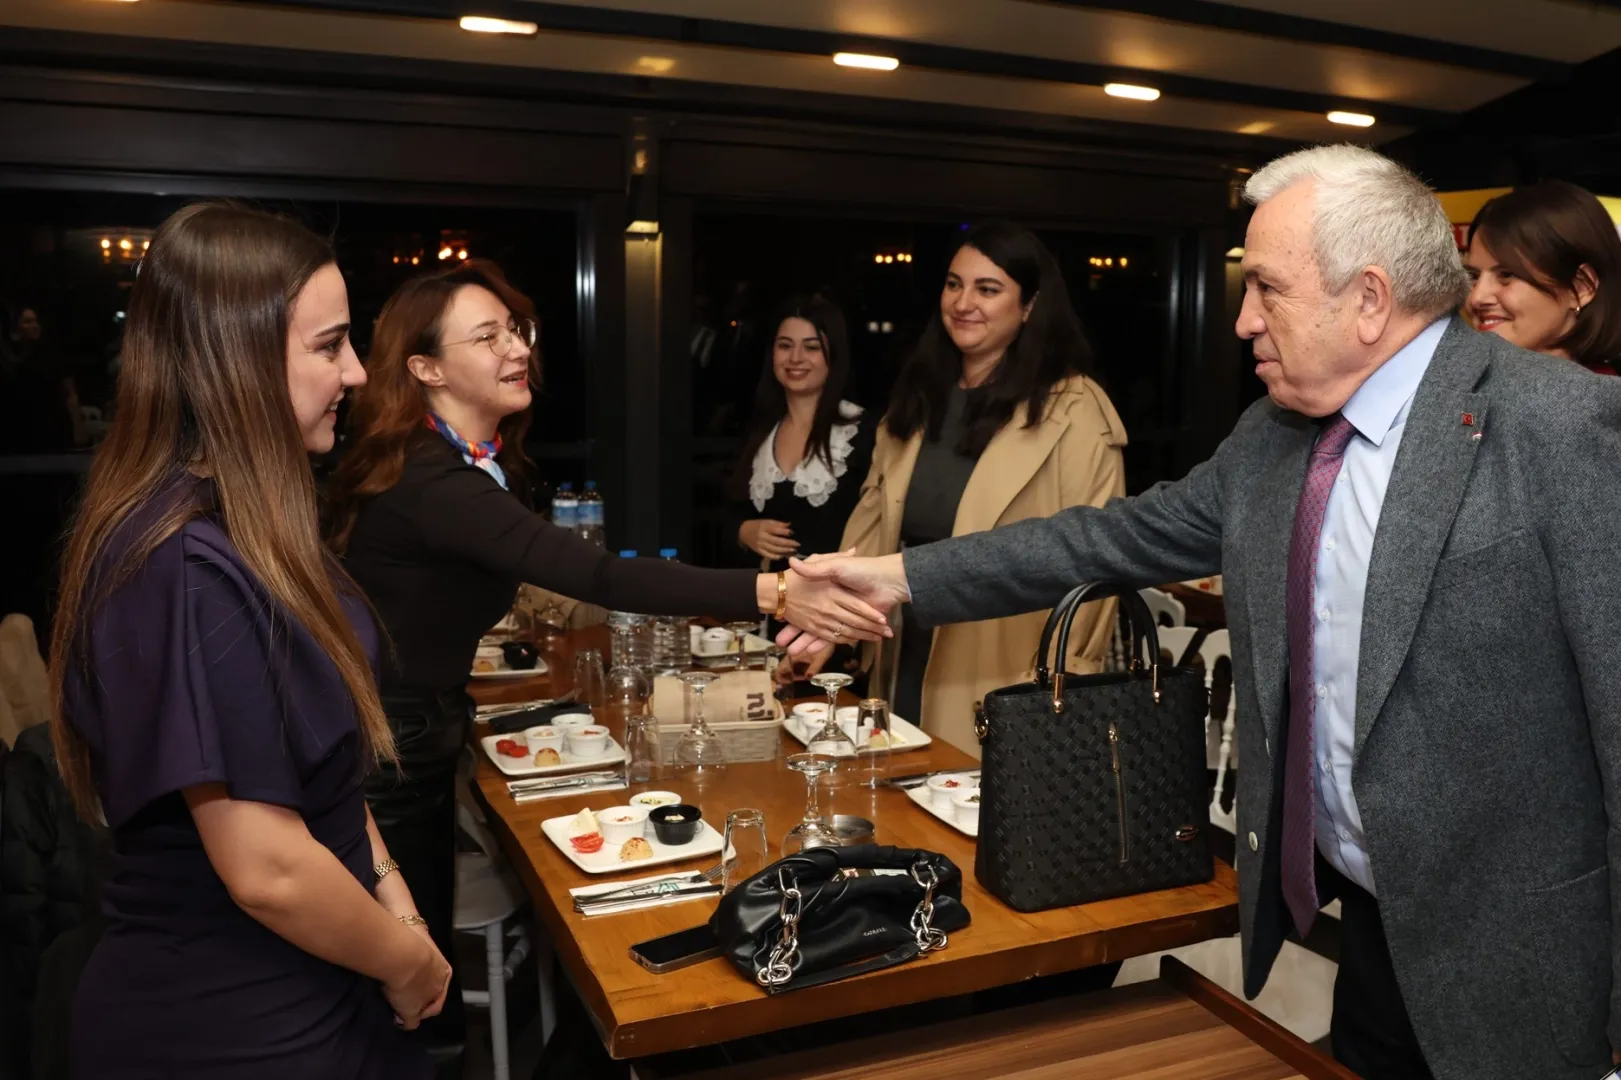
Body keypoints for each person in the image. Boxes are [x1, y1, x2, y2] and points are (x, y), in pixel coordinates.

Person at [782, 145, 1621, 1080]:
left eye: (1266, 288)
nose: (1242, 319)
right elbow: (1102, 541)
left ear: (1368, 299)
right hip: (1372, 927)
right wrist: (895, 576)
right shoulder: (1273, 435)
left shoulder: (1562, 427)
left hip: (1526, 954)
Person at [324, 260, 885, 1064]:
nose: (516, 349)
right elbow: (598, 575)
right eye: (487, 337)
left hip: (413, 724)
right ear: (426, 368)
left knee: (416, 967)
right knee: (404, 984)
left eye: (516, 330)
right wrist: (776, 591)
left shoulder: (461, 460)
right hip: (387, 742)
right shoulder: (430, 477)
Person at [47, 203, 450, 1077]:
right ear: (238, 359)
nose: (355, 372)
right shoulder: (182, 563)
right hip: (237, 1025)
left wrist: (396, 905)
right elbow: (266, 867)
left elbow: (320, 769)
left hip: (323, 975)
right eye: (329, 346)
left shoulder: (249, 524)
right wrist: (409, 960)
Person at [805, 221, 1126, 755]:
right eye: (954, 284)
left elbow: (1097, 560)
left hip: (1005, 664)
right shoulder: (920, 396)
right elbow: (871, 526)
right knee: (899, 784)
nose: (963, 302)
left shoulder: (1074, 411)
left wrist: (1060, 684)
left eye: (988, 288)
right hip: (903, 643)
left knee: (970, 797)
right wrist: (829, 626)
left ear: (1029, 306)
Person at [724, 294, 877, 686]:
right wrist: (743, 531)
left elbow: (880, 531)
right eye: (785, 345)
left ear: (833, 356)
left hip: (839, 623)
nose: (796, 358)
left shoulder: (865, 433)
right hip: (770, 620)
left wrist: (848, 636)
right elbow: (723, 513)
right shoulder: (760, 431)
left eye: (811, 347)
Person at [1465, 179, 1621, 374]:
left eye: (1506, 274)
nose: (1477, 297)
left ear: (1581, 287)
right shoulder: (1455, 382)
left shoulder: (1604, 393)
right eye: (1474, 276)